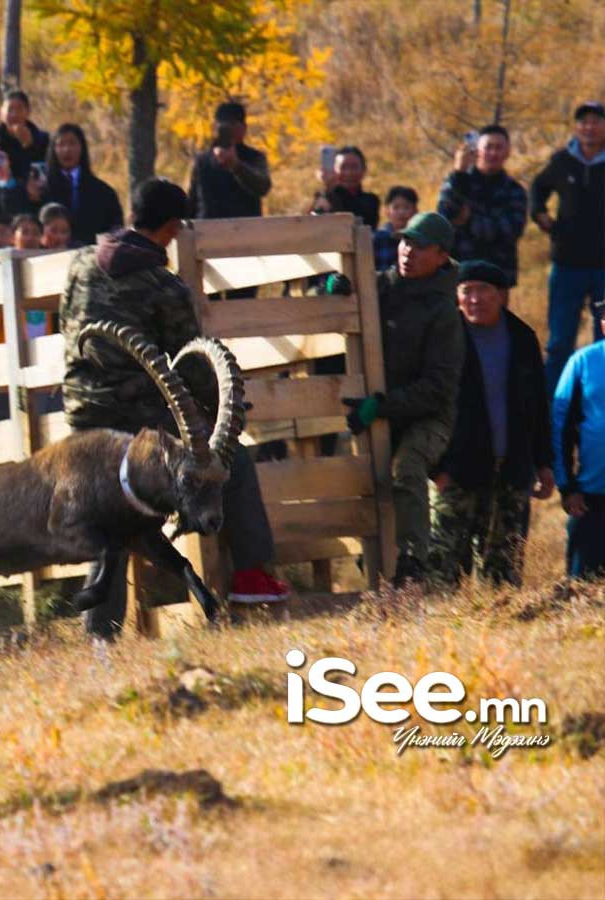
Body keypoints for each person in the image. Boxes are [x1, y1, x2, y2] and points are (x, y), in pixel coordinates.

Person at [61, 178, 290, 637]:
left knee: (113, 521)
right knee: (234, 463)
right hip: (139, 421)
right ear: (170, 227)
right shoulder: (162, 284)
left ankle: (99, 637)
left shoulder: (81, 263)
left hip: (83, 419)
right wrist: (222, 413)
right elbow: (191, 363)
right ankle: (252, 577)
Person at [342, 212, 464, 585]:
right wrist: (334, 291)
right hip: (381, 410)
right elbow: (345, 294)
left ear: (442, 256)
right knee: (359, 478)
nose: (408, 251)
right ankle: (374, 563)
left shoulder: (445, 312)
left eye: (420, 246)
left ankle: (413, 565)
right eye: (405, 242)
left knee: (405, 466)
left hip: (428, 417)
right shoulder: (378, 286)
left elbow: (438, 387)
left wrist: (382, 404)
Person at [429, 261, 553, 588]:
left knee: (503, 573)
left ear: (501, 295)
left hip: (511, 472)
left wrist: (543, 464)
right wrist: (437, 468)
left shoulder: (522, 338)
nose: (475, 299)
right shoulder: (443, 339)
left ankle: (500, 634)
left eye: (483, 290)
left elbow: (538, 407)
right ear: (456, 297)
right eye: (466, 291)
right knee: (443, 570)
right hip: (456, 472)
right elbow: (425, 406)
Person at [531, 101, 605, 396]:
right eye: (583, 121)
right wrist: (540, 214)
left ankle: (598, 404)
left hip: (604, 265)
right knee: (560, 341)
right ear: (576, 127)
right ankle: (553, 408)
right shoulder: (563, 161)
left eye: (596, 121)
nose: (589, 127)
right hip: (567, 264)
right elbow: (538, 187)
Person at [551, 296, 605, 578]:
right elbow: (560, 428)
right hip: (592, 500)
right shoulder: (583, 363)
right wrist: (567, 486)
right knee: (584, 589)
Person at [437, 125, 527, 287]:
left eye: (499, 148)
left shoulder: (514, 190)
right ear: (477, 150)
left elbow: (511, 230)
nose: (493, 153)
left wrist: (469, 221)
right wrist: (459, 173)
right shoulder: (459, 180)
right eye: (488, 147)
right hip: (458, 271)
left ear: (508, 152)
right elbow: (444, 216)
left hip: (498, 274)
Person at [28, 124, 123, 246]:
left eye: (72, 143)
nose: (67, 149)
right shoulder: (41, 189)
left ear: (82, 148)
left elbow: (115, 231)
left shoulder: (103, 192)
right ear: (53, 149)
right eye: (61, 144)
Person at [186, 102, 272, 221]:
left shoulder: (254, 157)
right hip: (207, 232)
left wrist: (236, 166)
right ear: (214, 127)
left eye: (232, 124)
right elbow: (192, 202)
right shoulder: (202, 160)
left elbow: (263, 187)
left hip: (246, 231)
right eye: (222, 125)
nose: (227, 129)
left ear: (243, 128)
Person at [0, 90, 50, 185]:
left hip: (31, 191)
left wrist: (29, 146)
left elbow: (44, 171)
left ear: (28, 112)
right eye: (10, 110)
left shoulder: (42, 138)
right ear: (1, 113)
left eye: (19, 110)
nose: (14, 115)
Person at [317, 145, 379, 229]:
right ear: (334, 170)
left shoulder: (371, 201)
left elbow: (356, 219)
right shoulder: (324, 196)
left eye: (354, 167)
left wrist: (334, 189)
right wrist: (327, 189)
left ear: (363, 170)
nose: (349, 173)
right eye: (343, 167)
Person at [373, 186, 418, 272]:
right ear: (387, 211)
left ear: (415, 211)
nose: (401, 212)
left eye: (406, 207)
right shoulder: (377, 238)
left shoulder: (420, 239)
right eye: (396, 207)